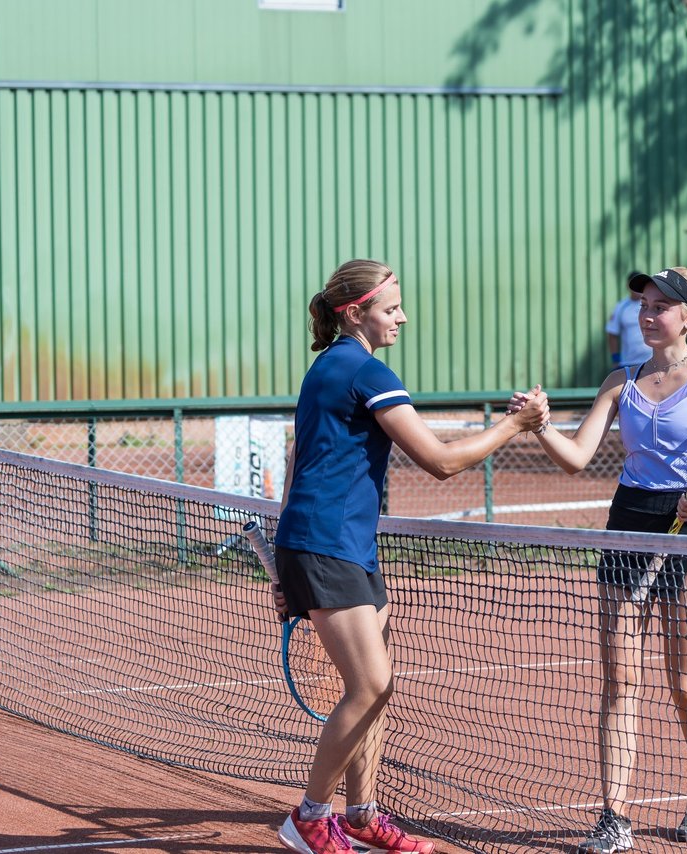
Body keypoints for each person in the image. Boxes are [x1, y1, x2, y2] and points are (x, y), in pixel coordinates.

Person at [272, 259, 549, 854]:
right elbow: (442, 462)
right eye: (390, 307)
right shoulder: (363, 372)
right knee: (370, 685)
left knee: (379, 686)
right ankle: (310, 817)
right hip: (326, 546)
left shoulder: (325, 367)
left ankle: (362, 815)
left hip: (339, 545)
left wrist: (284, 552)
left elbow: (302, 461)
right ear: (355, 312)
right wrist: (516, 425)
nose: (402, 316)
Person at [511, 266, 687, 851]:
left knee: (685, 682)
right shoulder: (618, 382)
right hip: (629, 523)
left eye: (661, 307)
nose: (648, 315)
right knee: (620, 679)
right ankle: (613, 816)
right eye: (644, 305)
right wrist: (540, 424)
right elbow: (575, 457)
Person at [605, 272, 653, 369]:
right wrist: (615, 359)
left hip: (650, 361)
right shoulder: (621, 307)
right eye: (635, 285)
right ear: (628, 286)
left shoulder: (652, 305)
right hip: (628, 363)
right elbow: (612, 333)